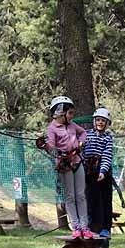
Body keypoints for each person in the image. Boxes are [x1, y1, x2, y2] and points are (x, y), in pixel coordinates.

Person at [45, 96, 91, 238]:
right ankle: (76, 227)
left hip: (77, 162)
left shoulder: (72, 125)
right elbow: (51, 146)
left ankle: (85, 227)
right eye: (70, 113)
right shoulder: (52, 128)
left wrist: (81, 143)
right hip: (65, 165)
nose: (72, 116)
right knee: (70, 196)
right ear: (60, 112)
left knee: (81, 195)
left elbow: (83, 133)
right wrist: (47, 147)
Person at [83, 107, 115, 238]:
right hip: (89, 171)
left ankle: (106, 227)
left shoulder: (108, 138)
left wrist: (103, 171)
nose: (100, 123)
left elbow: (107, 155)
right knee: (91, 198)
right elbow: (82, 151)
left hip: (103, 171)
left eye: (103, 121)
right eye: (98, 120)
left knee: (106, 200)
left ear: (107, 123)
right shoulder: (86, 134)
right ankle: (90, 223)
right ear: (94, 121)